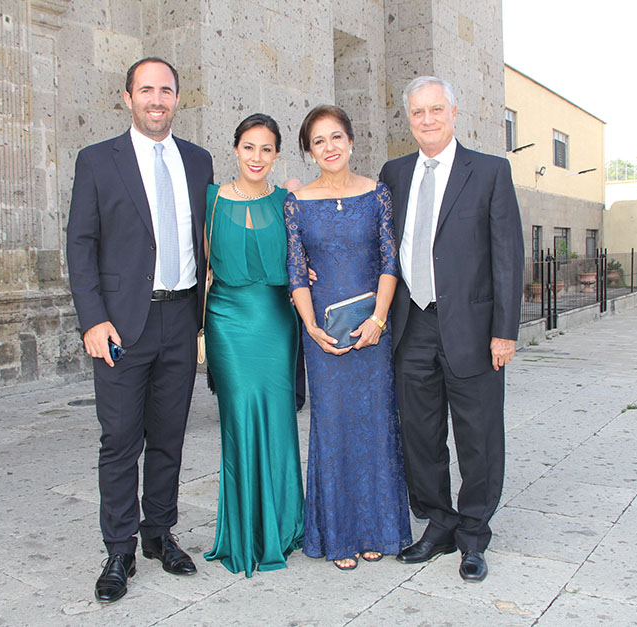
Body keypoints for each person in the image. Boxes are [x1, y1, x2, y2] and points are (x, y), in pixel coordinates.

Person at [66, 57, 213, 603]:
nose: (157, 99)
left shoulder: (199, 161)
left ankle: (159, 534)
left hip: (180, 317)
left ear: (178, 98)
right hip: (121, 323)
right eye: (146, 90)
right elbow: (80, 244)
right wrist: (93, 319)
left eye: (166, 90)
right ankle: (119, 549)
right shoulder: (98, 160)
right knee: (121, 437)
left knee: (170, 436)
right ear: (127, 97)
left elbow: (216, 234)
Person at [378, 76, 524, 582]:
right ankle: (438, 524)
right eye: (418, 112)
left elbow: (508, 255)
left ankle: (474, 533)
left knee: (479, 436)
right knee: (420, 433)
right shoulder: (393, 174)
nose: (427, 119)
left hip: (474, 328)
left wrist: (505, 331)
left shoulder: (488, 172)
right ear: (409, 119)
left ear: (454, 113)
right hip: (411, 323)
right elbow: (376, 244)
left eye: (436, 110)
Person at [285, 105, 411, 571]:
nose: (330, 147)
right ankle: (339, 535)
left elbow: (389, 260)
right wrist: (311, 327)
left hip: (373, 330)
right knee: (333, 426)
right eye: (319, 141)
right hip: (325, 337)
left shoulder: (377, 194)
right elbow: (296, 269)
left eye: (337, 137)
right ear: (309, 151)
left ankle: (378, 528)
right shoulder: (296, 203)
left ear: (352, 141)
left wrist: (378, 319)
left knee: (376, 423)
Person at [202, 114, 305, 576]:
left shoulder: (289, 201)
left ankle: (283, 525)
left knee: (279, 420)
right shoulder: (210, 198)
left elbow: (306, 254)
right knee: (239, 417)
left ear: (277, 155)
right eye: (249, 147)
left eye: (266, 149)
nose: (257, 157)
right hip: (226, 320)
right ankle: (244, 531)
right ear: (236, 149)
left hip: (276, 321)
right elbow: (202, 264)